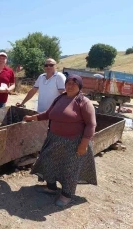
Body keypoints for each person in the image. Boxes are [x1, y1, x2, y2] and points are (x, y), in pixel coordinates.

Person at [23, 74, 97, 207]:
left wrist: (84, 144)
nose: (70, 85)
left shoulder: (84, 102)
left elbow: (91, 124)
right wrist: (31, 118)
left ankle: (66, 195)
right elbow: (47, 114)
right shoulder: (60, 98)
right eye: (68, 83)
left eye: (74, 83)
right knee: (48, 161)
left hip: (74, 142)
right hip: (54, 138)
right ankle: (51, 187)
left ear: (79, 86)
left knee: (69, 168)